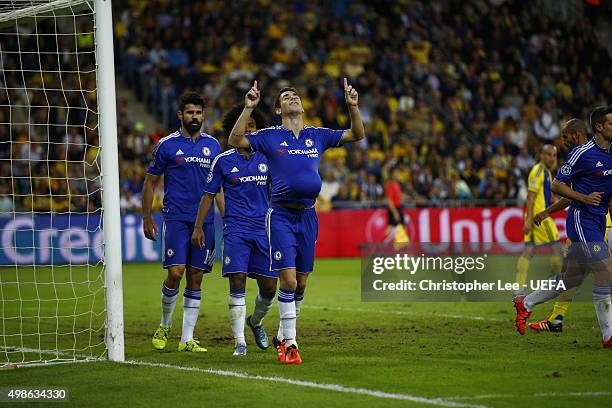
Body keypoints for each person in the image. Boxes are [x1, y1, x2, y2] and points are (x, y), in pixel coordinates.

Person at [228, 79, 365, 364]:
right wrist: (248, 108)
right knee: (287, 281)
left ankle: (282, 333)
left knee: (301, 284)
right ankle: (290, 344)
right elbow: (235, 140)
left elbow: (357, 134)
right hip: (280, 215)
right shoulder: (268, 136)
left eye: (295, 95)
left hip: (308, 215)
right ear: (278, 109)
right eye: (287, 97)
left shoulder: (317, 135)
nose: (293, 98)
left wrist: (353, 107)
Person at [514, 106, 612, 348]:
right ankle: (609, 336)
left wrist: (548, 210)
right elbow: (558, 186)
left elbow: (591, 192)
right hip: (582, 219)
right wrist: (584, 199)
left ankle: (525, 302)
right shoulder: (582, 153)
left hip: (599, 220)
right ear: (599, 126)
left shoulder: (610, 154)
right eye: (611, 123)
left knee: (572, 277)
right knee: (605, 270)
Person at [191, 104, 276, 357]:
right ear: (233, 131)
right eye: (244, 128)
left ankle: (256, 322)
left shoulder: (267, 160)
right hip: (235, 229)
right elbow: (208, 196)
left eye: (252, 128)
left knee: (270, 288)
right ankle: (239, 341)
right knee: (237, 280)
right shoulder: (223, 161)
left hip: (264, 230)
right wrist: (198, 227)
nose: (248, 133)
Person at [142, 91, 222, 353]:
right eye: (190, 112)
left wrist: (227, 217)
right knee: (175, 273)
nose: (195, 117)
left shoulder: (214, 146)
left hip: (206, 221)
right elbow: (150, 182)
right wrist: (146, 216)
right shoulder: (166, 145)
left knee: (196, 276)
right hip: (176, 218)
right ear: (180, 115)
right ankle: (165, 324)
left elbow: (218, 188)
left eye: (199, 112)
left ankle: (187, 338)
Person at [514, 144, 562, 297]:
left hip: (536, 216)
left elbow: (547, 197)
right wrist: (528, 220)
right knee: (557, 249)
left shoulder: (547, 173)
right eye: (548, 154)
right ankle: (554, 285)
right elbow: (531, 197)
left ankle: (518, 287)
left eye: (554, 155)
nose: (551, 158)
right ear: (541, 155)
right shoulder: (538, 170)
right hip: (539, 217)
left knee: (529, 250)